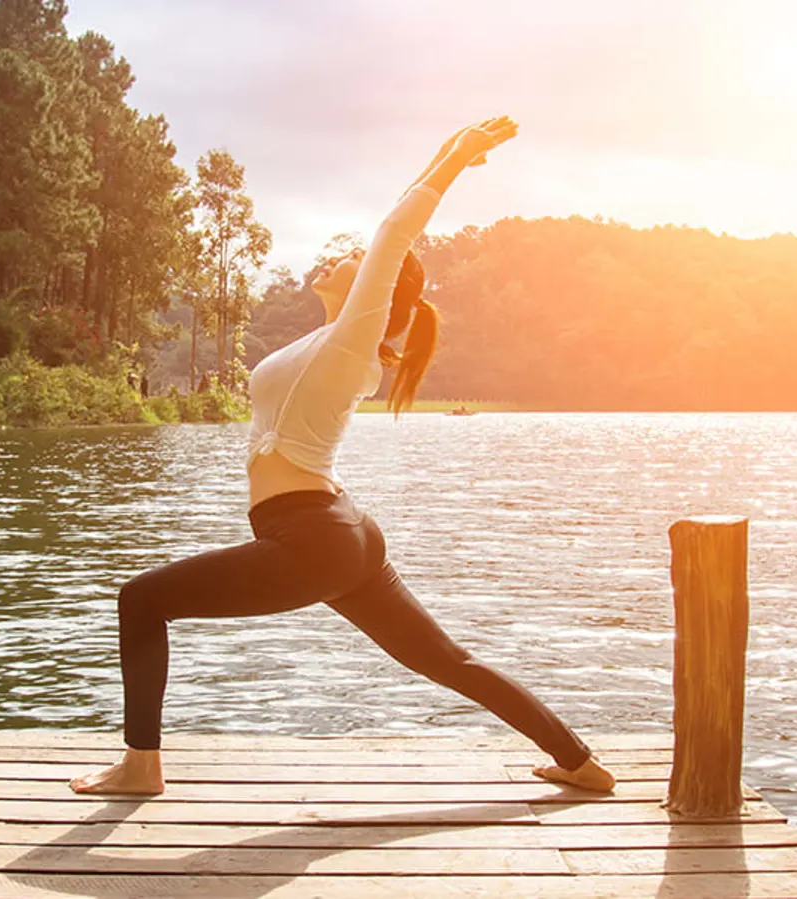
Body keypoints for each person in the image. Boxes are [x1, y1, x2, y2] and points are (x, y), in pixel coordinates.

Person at [70, 117, 616, 795]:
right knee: (447, 658)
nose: (338, 258)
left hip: (313, 536)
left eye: (353, 257)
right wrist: (449, 152)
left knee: (141, 600)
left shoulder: (353, 343)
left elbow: (395, 229)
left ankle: (141, 767)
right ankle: (578, 760)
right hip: (338, 529)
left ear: (378, 291)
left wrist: (458, 154)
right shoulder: (330, 343)